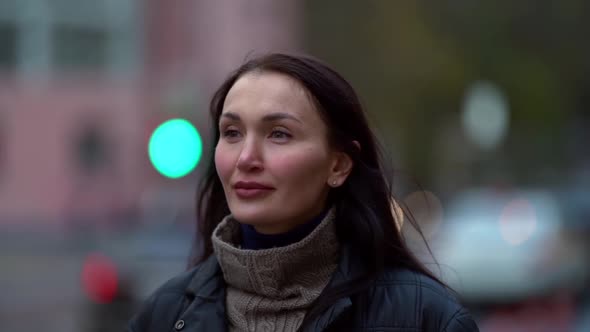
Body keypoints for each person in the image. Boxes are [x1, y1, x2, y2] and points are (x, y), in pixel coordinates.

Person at [127, 53, 479, 332]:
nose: (246, 158)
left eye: (279, 133)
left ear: (339, 165)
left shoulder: (425, 317)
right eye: (232, 132)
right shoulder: (165, 314)